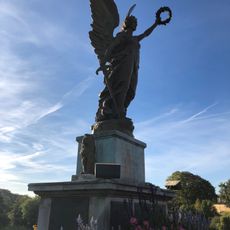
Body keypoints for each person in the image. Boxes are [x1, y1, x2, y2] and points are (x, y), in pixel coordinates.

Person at [95, 15, 160, 122]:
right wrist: (103, 61)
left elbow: (146, 33)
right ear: (128, 24)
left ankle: (121, 109)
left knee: (131, 91)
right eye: (133, 22)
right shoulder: (122, 36)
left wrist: (156, 23)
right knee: (121, 87)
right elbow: (110, 48)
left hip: (133, 67)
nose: (135, 24)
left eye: (136, 23)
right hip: (122, 66)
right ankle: (113, 110)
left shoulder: (135, 38)